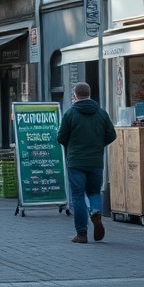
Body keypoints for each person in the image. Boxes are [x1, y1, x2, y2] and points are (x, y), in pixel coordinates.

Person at [57, 82, 117, 244]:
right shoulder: (102, 114)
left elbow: (61, 137)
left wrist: (72, 145)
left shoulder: (70, 114)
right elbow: (112, 134)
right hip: (95, 161)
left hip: (76, 161)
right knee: (94, 192)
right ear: (89, 94)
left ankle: (82, 234)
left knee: (78, 196)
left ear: (75, 95)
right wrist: (98, 144)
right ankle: (96, 213)